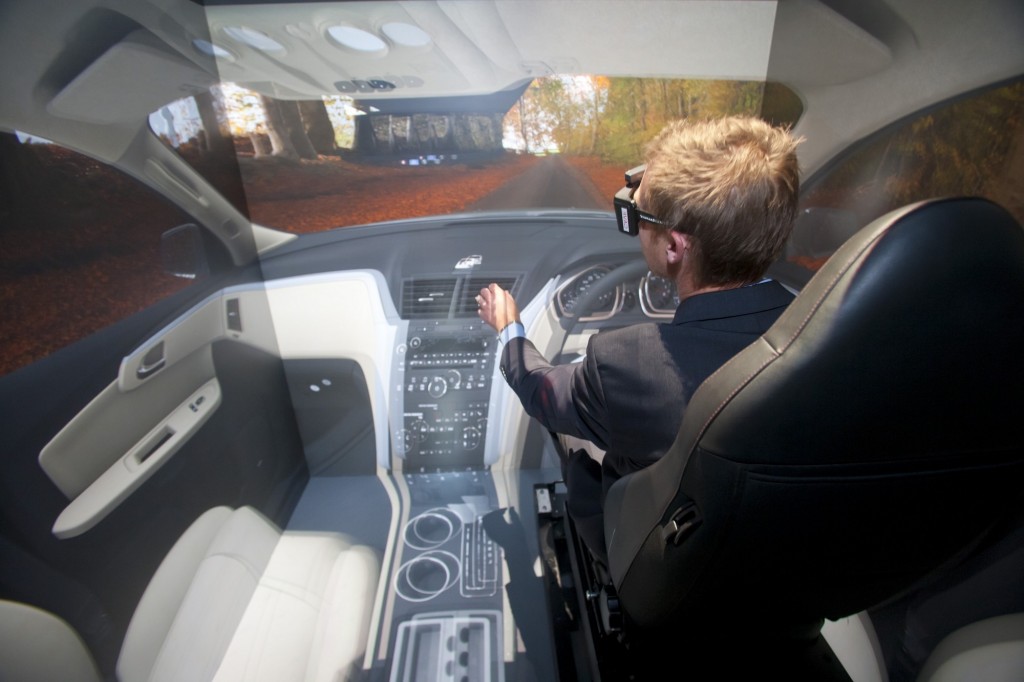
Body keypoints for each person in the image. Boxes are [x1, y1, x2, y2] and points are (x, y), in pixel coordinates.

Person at [476, 116, 802, 564]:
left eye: (637, 216)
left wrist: (509, 328)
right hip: (775, 554)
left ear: (673, 246)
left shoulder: (626, 362)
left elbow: (540, 390)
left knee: (576, 453)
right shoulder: (825, 336)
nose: (634, 228)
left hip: (655, 567)